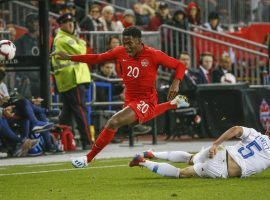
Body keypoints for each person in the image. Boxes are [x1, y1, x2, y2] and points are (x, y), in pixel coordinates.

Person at [51, 26, 189, 168]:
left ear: (139, 41)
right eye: (124, 43)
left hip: (146, 99)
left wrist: (176, 82)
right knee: (132, 123)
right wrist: (70, 57)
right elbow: (98, 58)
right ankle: (173, 104)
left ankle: (87, 158)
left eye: (130, 43)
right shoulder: (120, 51)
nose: (126, 47)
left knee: (113, 121)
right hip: (129, 98)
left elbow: (180, 66)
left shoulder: (153, 55)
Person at [130, 126, 270, 179]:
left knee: (191, 157)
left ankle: (152, 154)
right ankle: (144, 162)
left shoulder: (256, 134)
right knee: (182, 173)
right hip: (223, 168)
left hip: (219, 151)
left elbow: (235, 129)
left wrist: (215, 144)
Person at [51, 13, 92, 150]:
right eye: (67, 23)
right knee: (81, 111)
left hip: (68, 80)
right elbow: (82, 51)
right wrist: (80, 40)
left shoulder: (65, 38)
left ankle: (64, 142)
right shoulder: (63, 39)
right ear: (60, 25)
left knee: (67, 114)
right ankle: (87, 141)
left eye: (72, 22)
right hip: (73, 79)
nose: (71, 25)